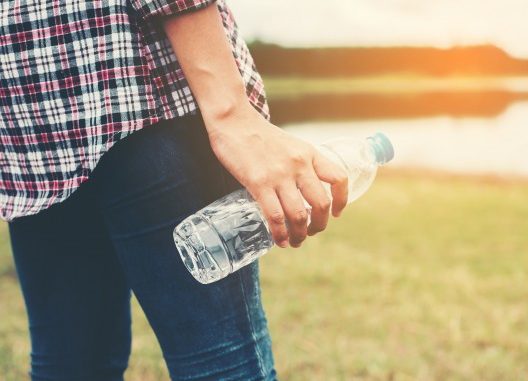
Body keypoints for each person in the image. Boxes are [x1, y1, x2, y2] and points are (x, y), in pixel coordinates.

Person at [0, 1, 348, 380]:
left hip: (29, 117)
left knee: (71, 367)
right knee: (220, 366)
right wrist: (229, 113)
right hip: (139, 92)